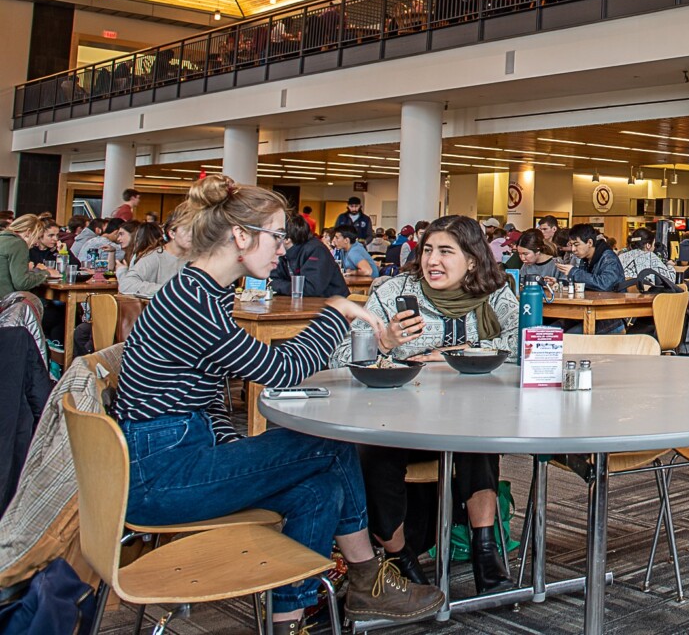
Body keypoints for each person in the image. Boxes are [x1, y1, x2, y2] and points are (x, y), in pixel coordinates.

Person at [113, 175, 444, 631]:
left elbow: (210, 402)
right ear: (241, 236)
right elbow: (283, 370)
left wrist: (237, 460)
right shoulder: (193, 302)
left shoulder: (200, 294)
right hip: (159, 476)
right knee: (327, 443)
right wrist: (335, 310)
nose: (284, 248)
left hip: (176, 458)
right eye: (277, 235)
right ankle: (368, 579)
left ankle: (288, 621)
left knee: (320, 488)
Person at [330, 215, 518, 595]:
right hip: (397, 420)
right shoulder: (392, 291)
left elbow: (516, 351)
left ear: (472, 259)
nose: (433, 260)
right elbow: (338, 358)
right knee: (374, 454)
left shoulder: (496, 293)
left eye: (446, 251)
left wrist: (445, 354)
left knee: (477, 437)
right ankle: (401, 556)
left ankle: (484, 548)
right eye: (428, 249)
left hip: (468, 414)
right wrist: (383, 343)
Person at [272, 215, 348, 300]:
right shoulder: (283, 252)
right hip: (305, 304)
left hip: (333, 306)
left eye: (276, 234)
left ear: (287, 239)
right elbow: (272, 279)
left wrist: (276, 285)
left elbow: (310, 288)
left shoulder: (316, 250)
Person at [118, 220, 184, 296]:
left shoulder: (144, 254)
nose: (118, 239)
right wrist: (170, 291)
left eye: (121, 234)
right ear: (172, 233)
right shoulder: (152, 256)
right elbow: (126, 285)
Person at [556, 224, 625, 292]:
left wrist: (574, 272)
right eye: (572, 245)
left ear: (590, 242)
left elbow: (605, 284)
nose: (573, 249)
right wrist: (560, 283)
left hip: (612, 302)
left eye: (576, 245)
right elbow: (586, 283)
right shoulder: (585, 258)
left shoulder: (609, 258)